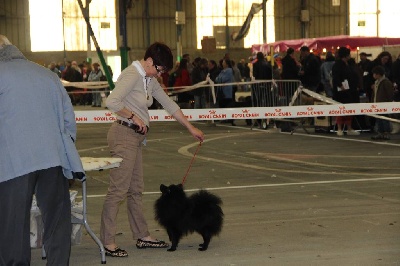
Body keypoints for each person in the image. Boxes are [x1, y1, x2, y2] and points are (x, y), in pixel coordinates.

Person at [100, 42, 204, 257]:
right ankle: (107, 242)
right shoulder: (132, 75)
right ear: (149, 61)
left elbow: (169, 104)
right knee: (118, 191)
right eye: (160, 69)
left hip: (135, 138)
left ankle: (142, 236)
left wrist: (190, 127)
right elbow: (112, 101)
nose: (161, 74)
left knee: (136, 190)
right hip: (123, 135)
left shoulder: (149, 79)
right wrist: (133, 116)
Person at [0, 35, 84, 265]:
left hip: (14, 163)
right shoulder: (48, 75)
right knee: (57, 220)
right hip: (53, 158)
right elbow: (69, 121)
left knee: (13, 225)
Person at [331, 47, 360, 136]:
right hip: (341, 91)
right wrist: (340, 85)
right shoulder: (337, 65)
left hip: (349, 91)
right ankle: (339, 128)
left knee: (349, 110)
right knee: (341, 109)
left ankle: (349, 128)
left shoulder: (348, 64)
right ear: (346, 55)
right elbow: (335, 77)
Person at [370, 65, 394, 140]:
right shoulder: (376, 82)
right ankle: (380, 133)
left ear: (378, 74)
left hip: (384, 104)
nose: (373, 75)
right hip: (377, 104)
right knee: (378, 119)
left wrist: (388, 102)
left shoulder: (386, 82)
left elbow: (389, 93)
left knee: (385, 119)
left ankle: (386, 133)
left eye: (374, 74)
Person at [215, 58, 235, 126]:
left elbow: (222, 79)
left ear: (226, 64)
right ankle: (223, 118)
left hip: (227, 91)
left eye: (223, 62)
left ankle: (228, 118)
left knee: (227, 104)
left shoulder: (229, 70)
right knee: (221, 105)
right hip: (221, 91)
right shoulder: (222, 71)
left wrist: (220, 78)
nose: (222, 64)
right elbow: (217, 79)